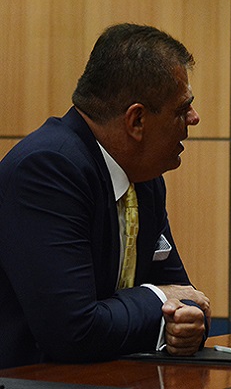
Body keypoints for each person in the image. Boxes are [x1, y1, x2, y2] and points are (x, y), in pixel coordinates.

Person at [0, 23, 211, 369]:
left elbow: (187, 300)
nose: (194, 118)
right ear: (136, 120)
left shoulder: (144, 178)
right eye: (181, 109)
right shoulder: (47, 170)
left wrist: (188, 326)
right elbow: (74, 332)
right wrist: (158, 298)